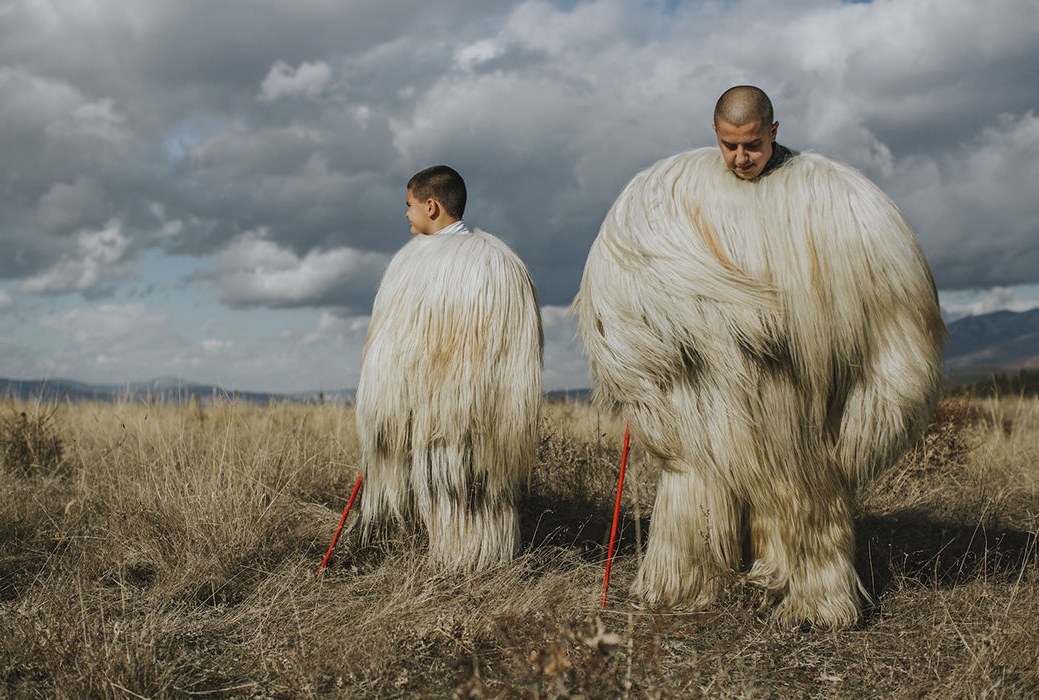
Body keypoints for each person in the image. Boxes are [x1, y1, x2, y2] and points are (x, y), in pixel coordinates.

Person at [571, 87, 945, 628]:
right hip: (709, 384)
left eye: (751, 146)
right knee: (697, 475)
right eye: (728, 147)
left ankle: (814, 597)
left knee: (796, 479)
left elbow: (893, 307)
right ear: (715, 134)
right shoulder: (666, 195)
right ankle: (687, 578)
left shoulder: (832, 198)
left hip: (792, 382)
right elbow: (631, 276)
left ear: (772, 131)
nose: (740, 159)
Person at [355, 165, 543, 571]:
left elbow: (393, 345)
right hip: (487, 409)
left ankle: (453, 566)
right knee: (481, 486)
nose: (405, 215)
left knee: (443, 479)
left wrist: (386, 415)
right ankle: (488, 562)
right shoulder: (501, 264)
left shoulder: (413, 266)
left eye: (409, 206)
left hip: (435, 410)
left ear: (431, 205)